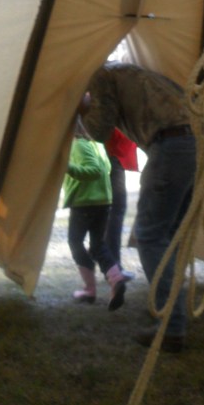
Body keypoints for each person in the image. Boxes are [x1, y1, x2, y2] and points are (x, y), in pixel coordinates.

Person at [82, 62, 196, 353]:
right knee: (169, 236)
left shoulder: (101, 75)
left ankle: (172, 325)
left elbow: (99, 129)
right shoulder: (130, 70)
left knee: (150, 235)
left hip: (170, 145)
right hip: (195, 142)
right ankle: (173, 313)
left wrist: (80, 112)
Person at [63, 117, 126, 311]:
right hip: (102, 202)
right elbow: (107, 168)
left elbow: (95, 170)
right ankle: (116, 279)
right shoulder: (97, 145)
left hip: (85, 203)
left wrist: (67, 167)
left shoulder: (78, 145)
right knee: (98, 245)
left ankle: (90, 290)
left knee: (75, 242)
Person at [104, 127, 139, 282]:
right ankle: (113, 266)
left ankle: (111, 265)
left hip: (114, 154)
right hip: (112, 155)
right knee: (115, 210)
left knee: (114, 210)